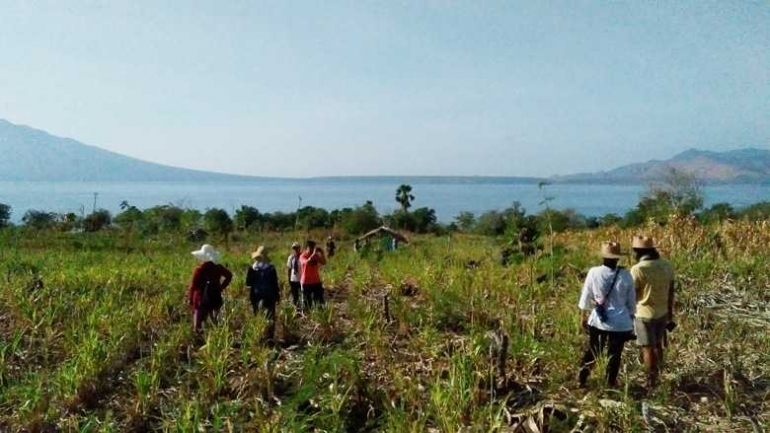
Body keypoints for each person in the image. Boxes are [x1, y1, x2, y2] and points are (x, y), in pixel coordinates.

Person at [578, 241, 636, 388]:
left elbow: (585, 296)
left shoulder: (593, 272)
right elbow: (631, 302)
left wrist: (583, 317)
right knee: (615, 354)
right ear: (617, 258)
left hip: (598, 320)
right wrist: (631, 319)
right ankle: (610, 383)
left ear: (603, 257)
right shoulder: (626, 275)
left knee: (594, 350)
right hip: (620, 323)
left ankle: (582, 378)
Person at [631, 235, 675, 391]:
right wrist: (670, 315)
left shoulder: (638, 269)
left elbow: (633, 294)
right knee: (658, 345)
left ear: (638, 252)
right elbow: (671, 292)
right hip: (662, 312)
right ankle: (659, 375)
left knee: (647, 348)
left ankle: (651, 382)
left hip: (644, 314)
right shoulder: (667, 266)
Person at [189, 244, 232, 333]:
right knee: (215, 323)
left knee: (198, 326)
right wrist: (221, 287)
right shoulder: (218, 268)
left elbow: (193, 287)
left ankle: (201, 340)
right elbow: (229, 276)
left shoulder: (199, 270)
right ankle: (216, 339)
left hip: (200, 300)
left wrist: (191, 302)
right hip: (215, 297)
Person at [246, 246, 280, 339]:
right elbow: (275, 284)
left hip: (256, 295)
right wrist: (277, 297)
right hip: (269, 295)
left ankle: (259, 335)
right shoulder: (271, 268)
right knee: (270, 316)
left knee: (257, 316)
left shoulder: (252, 268)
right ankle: (269, 336)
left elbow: (248, 283)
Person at [300, 240, 326, 310]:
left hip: (316, 281)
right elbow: (308, 262)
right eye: (311, 247)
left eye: (313, 247)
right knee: (307, 302)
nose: (312, 249)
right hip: (306, 282)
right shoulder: (302, 256)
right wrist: (314, 253)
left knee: (319, 300)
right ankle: (306, 316)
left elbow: (323, 262)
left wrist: (322, 253)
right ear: (307, 247)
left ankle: (320, 314)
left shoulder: (315, 255)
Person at [286, 242, 303, 309]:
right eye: (294, 248)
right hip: (293, 279)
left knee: (302, 295)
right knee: (295, 295)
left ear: (299, 248)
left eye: (297, 248)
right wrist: (289, 278)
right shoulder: (291, 257)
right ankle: (296, 308)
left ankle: (303, 308)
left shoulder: (302, 257)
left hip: (301, 279)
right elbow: (289, 269)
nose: (295, 250)